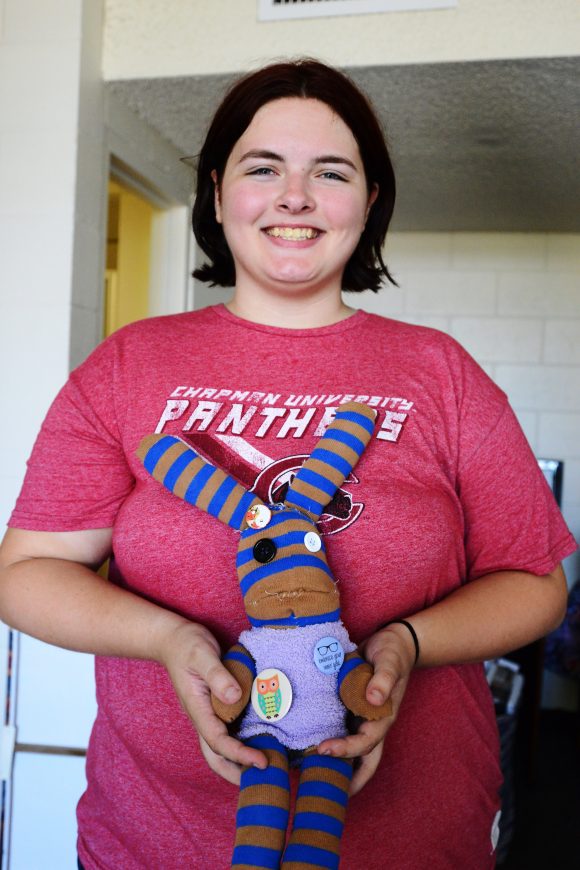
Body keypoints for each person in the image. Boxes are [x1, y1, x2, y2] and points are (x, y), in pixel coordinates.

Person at [0, 59, 575, 870]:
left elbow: (536, 582)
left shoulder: (440, 372)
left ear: (368, 201)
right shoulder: (128, 367)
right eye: (262, 167)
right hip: (157, 840)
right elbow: (26, 571)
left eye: (329, 172)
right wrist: (171, 640)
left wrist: (406, 646)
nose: (293, 195)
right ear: (217, 190)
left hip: (414, 838)